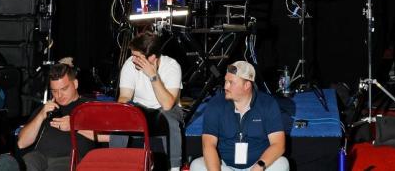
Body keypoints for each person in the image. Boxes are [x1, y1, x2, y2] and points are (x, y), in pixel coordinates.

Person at [192, 61, 288, 171]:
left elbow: (278, 145)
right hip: (224, 166)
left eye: (231, 82)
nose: (225, 86)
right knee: (196, 166)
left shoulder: (268, 104)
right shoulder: (215, 104)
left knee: (282, 164)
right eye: (225, 81)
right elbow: (208, 145)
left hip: (257, 165)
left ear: (247, 85)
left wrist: (258, 167)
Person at [116, 32, 185, 171]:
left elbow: (167, 104)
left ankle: (174, 167)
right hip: (140, 108)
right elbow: (124, 97)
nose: (133, 59)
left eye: (137, 57)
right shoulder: (130, 64)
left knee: (170, 119)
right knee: (120, 116)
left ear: (152, 57)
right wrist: (120, 113)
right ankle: (116, 163)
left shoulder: (172, 66)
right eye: (132, 55)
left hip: (166, 109)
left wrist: (153, 76)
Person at [10, 60, 92, 171]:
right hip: (38, 157)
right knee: (24, 163)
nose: (59, 95)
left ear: (75, 84)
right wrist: (41, 115)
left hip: (68, 159)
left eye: (64, 89)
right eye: (54, 91)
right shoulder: (47, 108)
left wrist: (74, 126)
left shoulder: (89, 106)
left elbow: (110, 137)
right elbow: (22, 143)